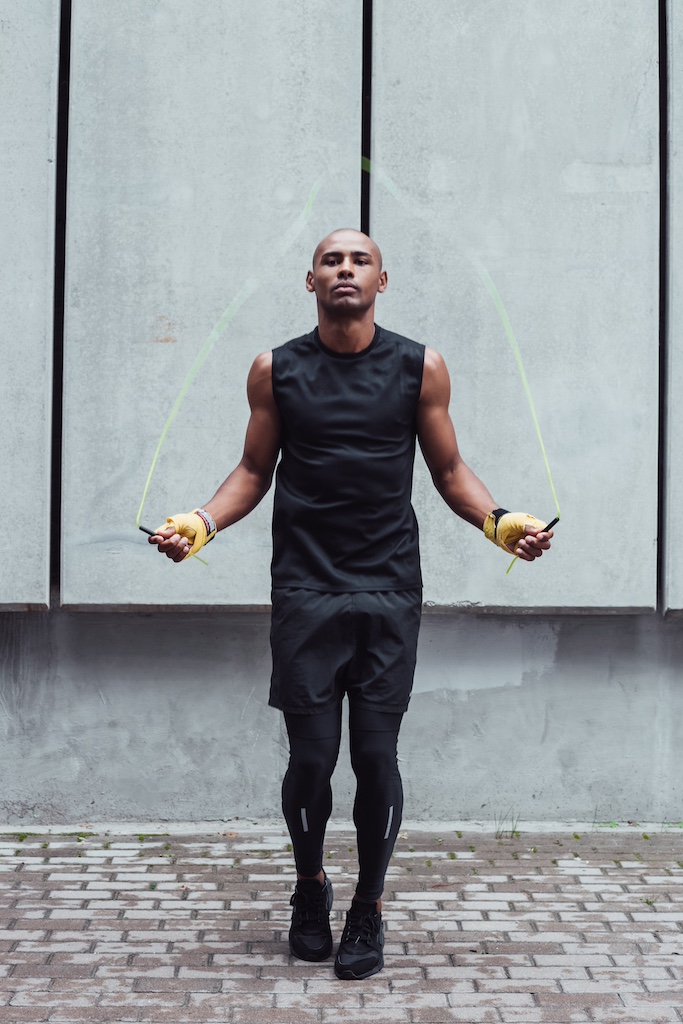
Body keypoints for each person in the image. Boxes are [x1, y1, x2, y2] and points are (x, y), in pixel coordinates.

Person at [150, 228, 553, 980]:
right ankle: (310, 889)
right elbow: (250, 468)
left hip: (388, 587)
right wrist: (200, 524)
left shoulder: (418, 367)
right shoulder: (276, 369)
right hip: (305, 587)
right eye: (330, 260)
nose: (344, 269)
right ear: (310, 282)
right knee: (311, 759)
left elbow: (449, 468)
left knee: (373, 754)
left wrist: (502, 523)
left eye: (358, 260)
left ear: (381, 279)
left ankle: (367, 907)